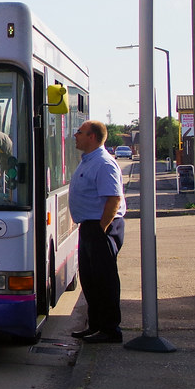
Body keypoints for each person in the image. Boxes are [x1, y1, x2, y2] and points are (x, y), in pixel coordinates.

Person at [70, 120, 126, 344]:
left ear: (92, 136)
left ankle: (111, 330)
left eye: (80, 132)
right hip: (89, 226)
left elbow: (113, 198)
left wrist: (102, 228)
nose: (76, 135)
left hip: (101, 226)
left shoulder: (103, 163)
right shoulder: (88, 161)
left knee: (104, 280)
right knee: (90, 279)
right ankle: (95, 325)